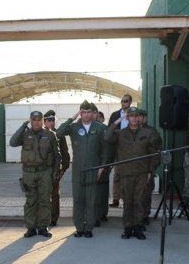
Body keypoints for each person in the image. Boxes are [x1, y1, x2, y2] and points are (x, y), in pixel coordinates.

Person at [106, 107, 161, 239]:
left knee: (139, 201)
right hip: (126, 173)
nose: (134, 118)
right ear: (127, 118)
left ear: (139, 117)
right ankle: (127, 227)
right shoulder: (120, 133)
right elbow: (107, 137)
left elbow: (155, 154)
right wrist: (117, 121)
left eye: (136, 116)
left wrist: (151, 170)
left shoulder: (148, 133)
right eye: (131, 116)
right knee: (128, 201)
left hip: (142, 173)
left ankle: (137, 227)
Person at [56, 100, 107, 237]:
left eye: (88, 112)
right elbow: (59, 132)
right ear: (80, 113)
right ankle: (79, 227)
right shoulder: (73, 127)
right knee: (78, 198)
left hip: (93, 168)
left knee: (91, 198)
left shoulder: (100, 128)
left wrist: (102, 167)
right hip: (78, 169)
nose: (86, 115)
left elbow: (105, 150)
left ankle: (89, 228)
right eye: (83, 112)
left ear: (93, 113)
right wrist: (72, 118)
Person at [9, 110, 61, 238]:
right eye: (34, 120)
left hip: (45, 172)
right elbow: (12, 142)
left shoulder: (50, 135)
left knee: (45, 200)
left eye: (39, 120)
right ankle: (31, 228)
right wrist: (22, 127)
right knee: (30, 201)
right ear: (31, 121)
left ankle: (43, 227)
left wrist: (55, 172)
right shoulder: (25, 134)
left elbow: (57, 155)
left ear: (43, 121)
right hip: (29, 173)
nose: (36, 122)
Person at [43, 110, 70, 226]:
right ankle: (43, 217)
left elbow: (65, 154)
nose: (51, 122)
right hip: (42, 171)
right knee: (42, 195)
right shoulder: (40, 134)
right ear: (44, 122)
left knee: (54, 195)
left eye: (53, 120)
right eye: (49, 120)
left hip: (55, 171)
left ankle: (53, 219)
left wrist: (63, 170)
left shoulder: (59, 135)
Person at [108, 94, 132, 207]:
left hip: (132, 149)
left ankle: (128, 198)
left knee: (129, 174)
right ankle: (116, 199)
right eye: (122, 101)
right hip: (119, 148)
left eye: (126, 101)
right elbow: (109, 130)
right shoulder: (115, 115)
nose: (123, 103)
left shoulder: (134, 115)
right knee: (117, 174)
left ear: (130, 102)